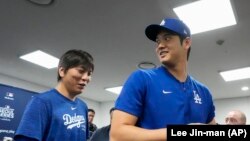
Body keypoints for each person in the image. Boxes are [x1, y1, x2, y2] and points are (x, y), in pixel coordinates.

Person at [110, 18, 217, 141]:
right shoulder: (141, 79)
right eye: (157, 41)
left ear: (186, 43)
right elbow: (117, 135)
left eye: (167, 38)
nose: (160, 46)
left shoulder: (204, 92)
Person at [14, 49, 94, 141]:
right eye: (81, 71)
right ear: (62, 71)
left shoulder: (83, 106)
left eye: (89, 74)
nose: (85, 78)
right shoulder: (41, 102)